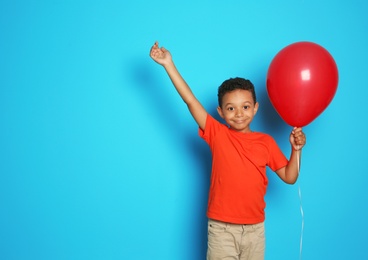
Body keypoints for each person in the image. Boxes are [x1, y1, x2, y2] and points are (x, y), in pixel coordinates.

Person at [149, 41, 306, 260]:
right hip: (222, 230)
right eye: (231, 108)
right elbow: (190, 100)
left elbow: (290, 177)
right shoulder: (217, 133)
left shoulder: (266, 142)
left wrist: (296, 149)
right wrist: (168, 64)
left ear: (256, 108)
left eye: (245, 106)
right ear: (221, 112)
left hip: (255, 231)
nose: (239, 113)